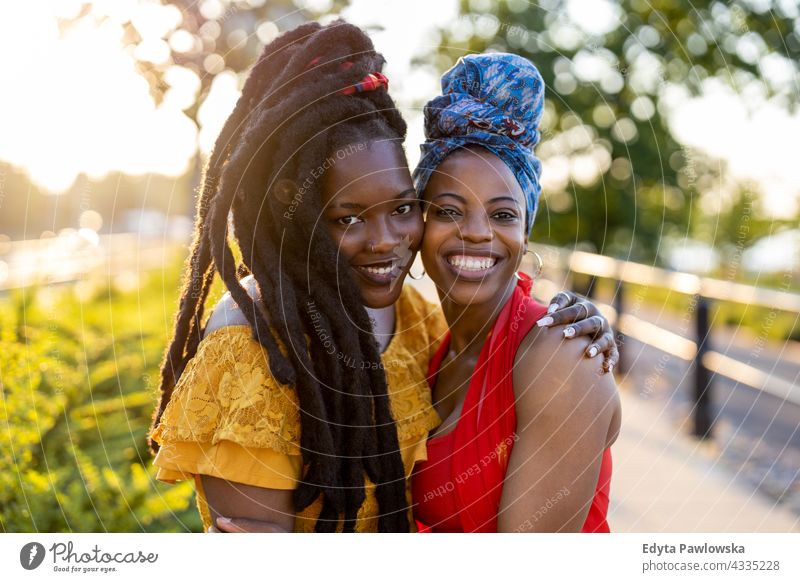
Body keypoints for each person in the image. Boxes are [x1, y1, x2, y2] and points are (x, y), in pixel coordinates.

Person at [148, 21, 617, 534]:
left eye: (400, 208)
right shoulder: (262, 352)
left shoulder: (461, 334)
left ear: (527, 230)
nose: (386, 240)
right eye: (348, 217)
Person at [410, 53, 621, 532]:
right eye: (447, 210)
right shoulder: (425, 350)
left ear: (526, 235)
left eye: (503, 215)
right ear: (418, 224)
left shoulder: (561, 356)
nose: (477, 233)